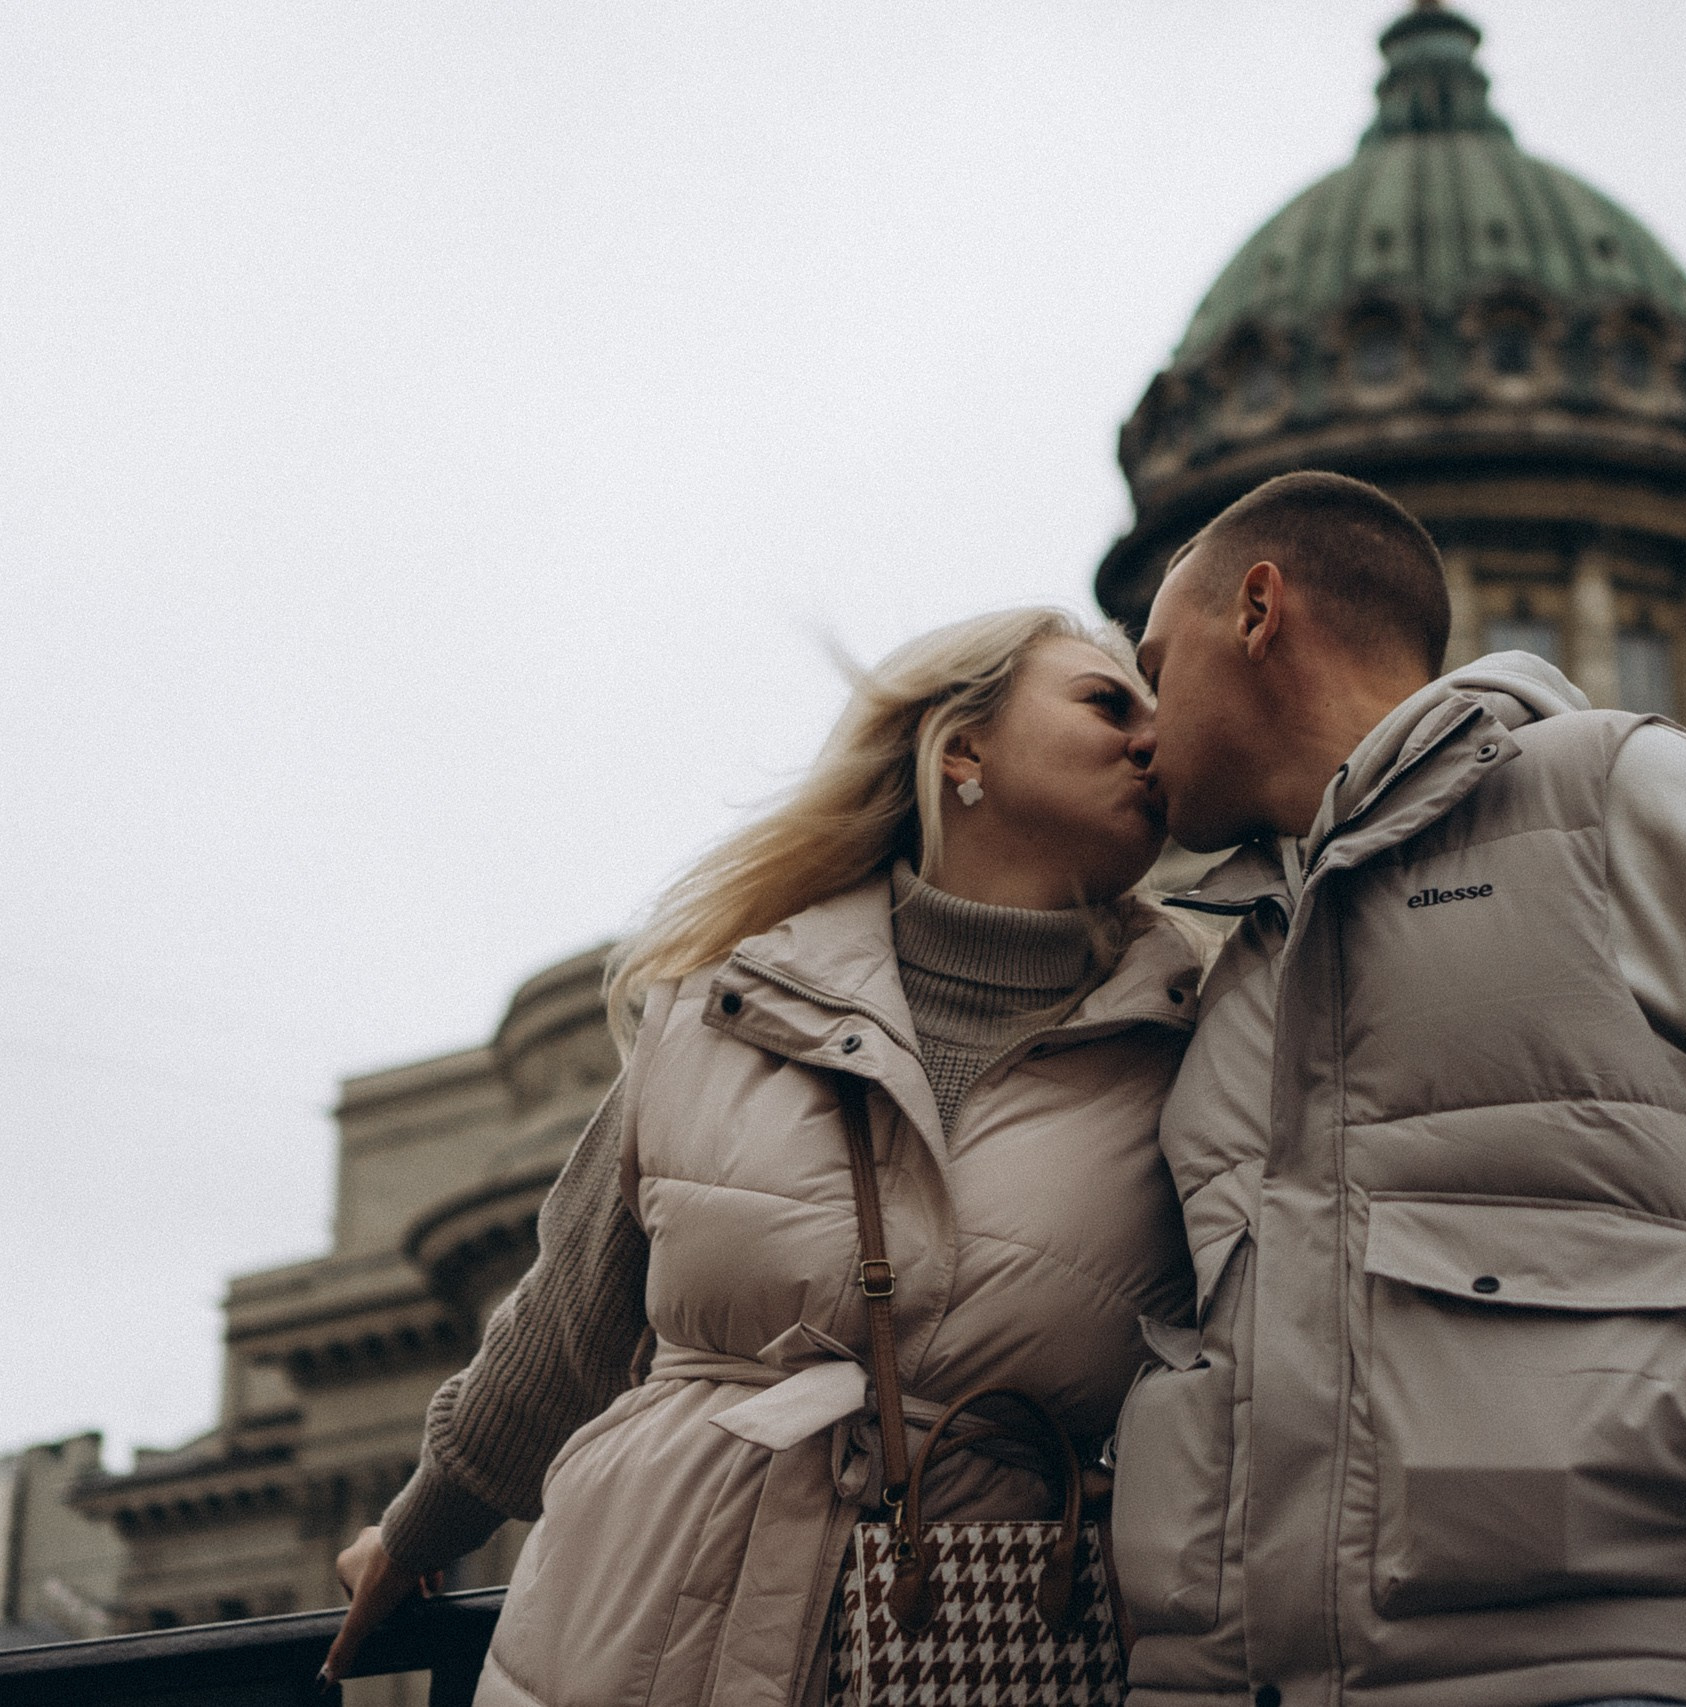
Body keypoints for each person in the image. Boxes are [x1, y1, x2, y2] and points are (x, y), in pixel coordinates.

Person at [1111, 471, 1686, 1707]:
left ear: (1257, 611)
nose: (1142, 724)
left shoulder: (1616, 796)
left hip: (1597, 1670)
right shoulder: (1232, 970)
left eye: (1155, 665)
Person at [324, 608, 1205, 1707]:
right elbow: (565, 1326)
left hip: (965, 1649)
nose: (1154, 737)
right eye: (1107, 702)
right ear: (962, 747)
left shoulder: (1198, 1042)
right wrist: (415, 1532)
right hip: (629, 1633)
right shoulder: (728, 1000)